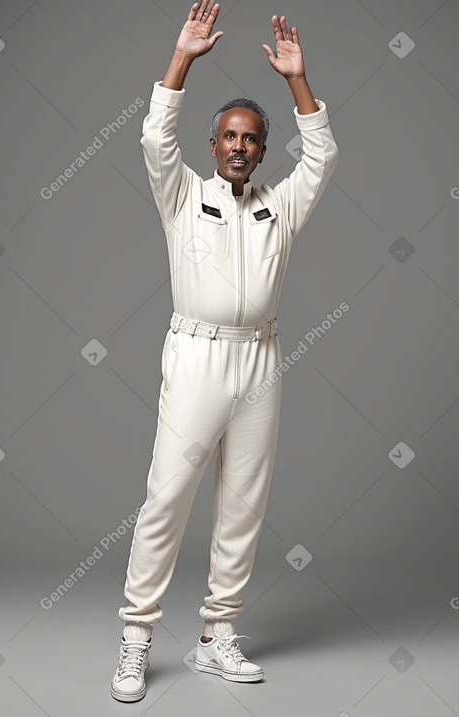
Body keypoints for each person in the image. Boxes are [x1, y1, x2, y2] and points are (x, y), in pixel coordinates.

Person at [110, 0, 339, 702]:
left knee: (243, 502)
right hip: (197, 358)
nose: (239, 146)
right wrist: (181, 58)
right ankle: (136, 638)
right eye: (229, 137)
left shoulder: (281, 206)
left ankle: (216, 638)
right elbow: (155, 137)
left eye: (251, 139)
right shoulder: (182, 196)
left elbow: (324, 154)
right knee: (167, 497)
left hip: (260, 362)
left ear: (263, 151)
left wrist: (298, 80)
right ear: (214, 147)